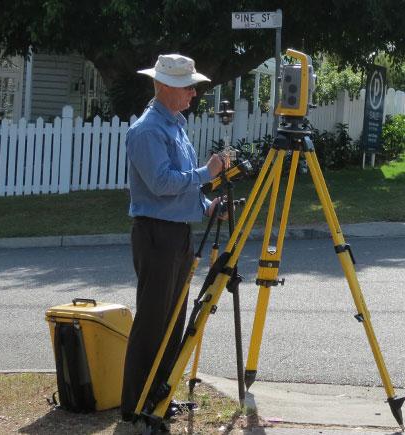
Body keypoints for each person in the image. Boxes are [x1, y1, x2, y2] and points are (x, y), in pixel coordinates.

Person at [120, 53, 229, 422]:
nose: (193, 94)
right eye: (186, 87)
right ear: (164, 86)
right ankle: (136, 403)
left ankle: (160, 395)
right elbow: (162, 183)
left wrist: (207, 207)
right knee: (153, 321)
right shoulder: (148, 130)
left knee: (173, 319)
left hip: (177, 232)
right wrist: (206, 172)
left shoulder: (176, 125)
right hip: (155, 234)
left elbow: (182, 187)